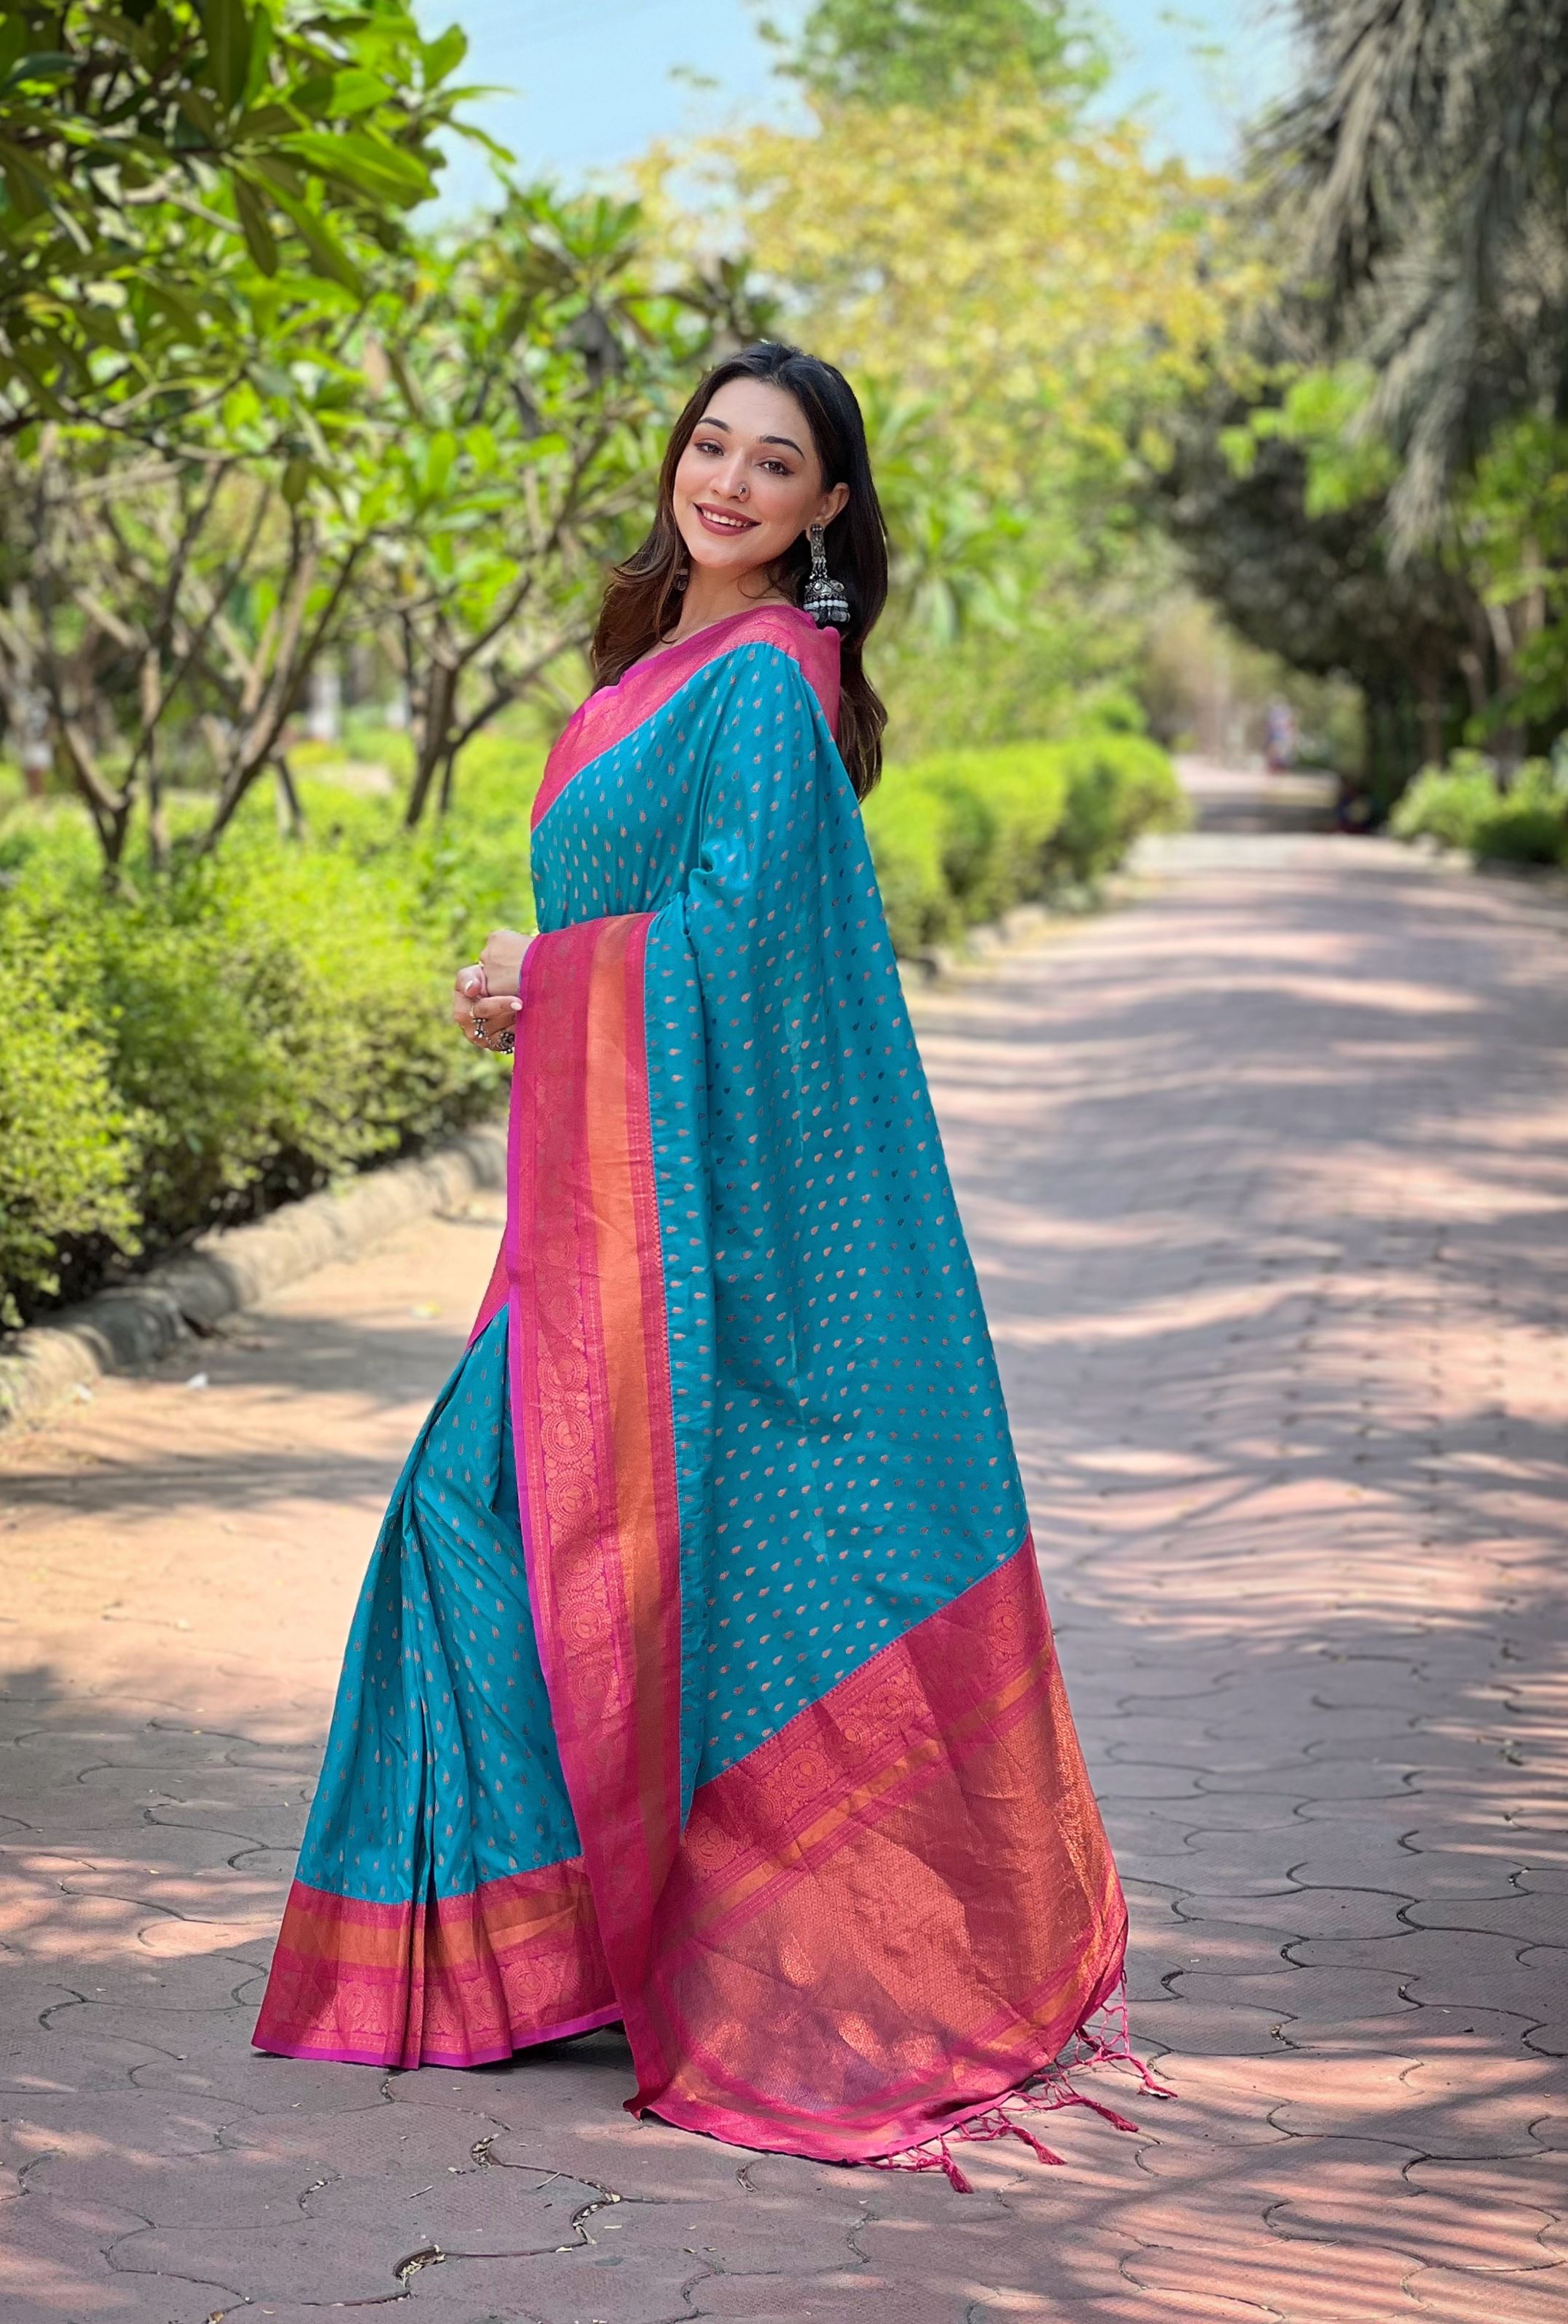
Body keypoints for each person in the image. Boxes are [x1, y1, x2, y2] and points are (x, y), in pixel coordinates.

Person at [253, 342, 1148, 2181]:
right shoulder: (659, 666)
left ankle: (569, 1951)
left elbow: (735, 947)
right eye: (710, 445)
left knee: (480, 1522)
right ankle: (546, 1946)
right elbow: (653, 921)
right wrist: (543, 981)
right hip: (596, 1209)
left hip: (681, 1230)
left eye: (775, 462)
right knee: (485, 1528)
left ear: (829, 506)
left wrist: (550, 973)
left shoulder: (763, 680)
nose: (727, 481)